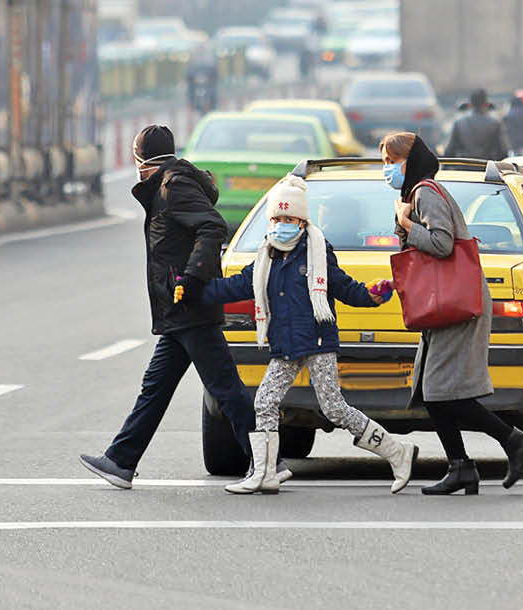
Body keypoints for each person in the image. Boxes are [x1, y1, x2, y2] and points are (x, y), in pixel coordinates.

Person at [181, 175, 420, 494]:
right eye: (277, 218)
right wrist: (195, 291)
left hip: (318, 342)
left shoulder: (318, 252)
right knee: (265, 402)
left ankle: (397, 452)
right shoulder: (267, 256)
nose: (282, 224)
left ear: (303, 221)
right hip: (286, 345)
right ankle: (264, 473)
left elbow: (345, 287)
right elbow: (237, 285)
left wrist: (373, 296)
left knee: (333, 408)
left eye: (289, 218)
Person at [80, 124, 273, 489]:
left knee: (226, 389)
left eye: (136, 154)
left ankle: (266, 463)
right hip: (179, 311)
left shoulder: (173, 186)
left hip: (190, 307)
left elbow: (212, 226)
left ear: (143, 158)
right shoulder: (168, 184)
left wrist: (192, 278)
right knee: (155, 388)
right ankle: (121, 460)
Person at [380, 132, 523, 494]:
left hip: (455, 302)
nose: (387, 170)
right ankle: (462, 467)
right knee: (434, 390)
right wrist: (404, 220)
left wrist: (406, 222)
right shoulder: (415, 195)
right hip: (442, 303)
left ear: (411, 161)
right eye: (384, 163)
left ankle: (514, 441)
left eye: (392, 162)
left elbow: (440, 244)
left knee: (441, 391)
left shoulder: (425, 192)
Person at [442, 88, 510, 161]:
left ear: (470, 104)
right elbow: (503, 150)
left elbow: (450, 149)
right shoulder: (495, 123)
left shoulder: (459, 122)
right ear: (486, 104)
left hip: (463, 168)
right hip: (487, 168)